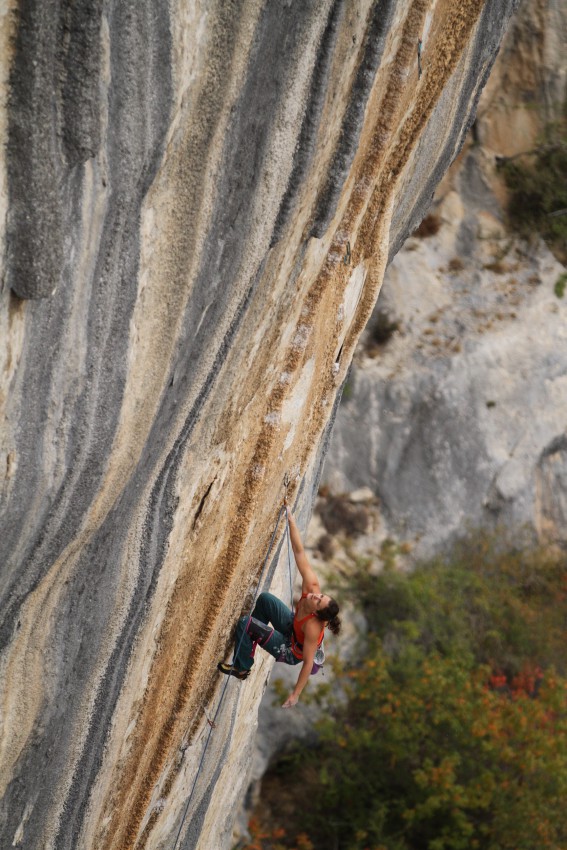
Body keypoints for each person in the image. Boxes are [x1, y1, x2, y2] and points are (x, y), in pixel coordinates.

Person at [218, 504, 341, 708]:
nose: (314, 595)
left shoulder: (312, 627)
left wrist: (295, 694)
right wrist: (291, 521)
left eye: (318, 600)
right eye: (320, 595)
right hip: (291, 629)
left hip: (290, 651)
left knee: (245, 623)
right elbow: (300, 553)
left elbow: (308, 663)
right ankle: (250, 640)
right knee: (265, 599)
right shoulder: (311, 586)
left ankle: (241, 668)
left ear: (317, 613)